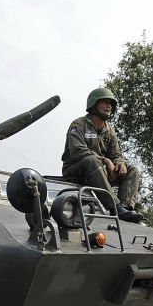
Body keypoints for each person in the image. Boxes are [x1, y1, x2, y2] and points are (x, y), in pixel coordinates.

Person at [61, 87, 143, 223]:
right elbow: (78, 151)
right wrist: (105, 160)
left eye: (111, 104)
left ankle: (125, 208)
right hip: (75, 171)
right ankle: (114, 206)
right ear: (93, 105)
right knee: (91, 160)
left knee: (132, 170)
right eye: (104, 102)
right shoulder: (78, 125)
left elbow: (116, 154)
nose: (108, 106)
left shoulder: (109, 130)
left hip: (101, 173)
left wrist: (119, 163)